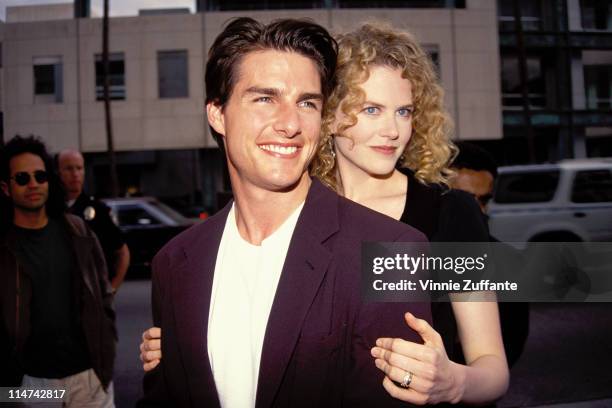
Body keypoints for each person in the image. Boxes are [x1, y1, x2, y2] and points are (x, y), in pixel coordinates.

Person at [140, 22, 510, 406]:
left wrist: (453, 382)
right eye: (371, 109)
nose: (392, 130)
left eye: (404, 111)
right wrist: (192, 341)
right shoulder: (290, 204)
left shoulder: (450, 211)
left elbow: (494, 367)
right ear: (331, 116)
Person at [0, 135, 117, 407]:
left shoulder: (77, 231)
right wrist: (7, 388)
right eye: (22, 178)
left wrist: (105, 364)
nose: (33, 184)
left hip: (89, 378)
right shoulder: (4, 246)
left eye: (40, 176)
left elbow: (103, 296)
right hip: (33, 383)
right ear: (6, 188)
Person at [450, 141, 530, 368]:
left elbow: (510, 346)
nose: (476, 210)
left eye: (483, 200)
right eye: (464, 199)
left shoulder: (508, 261)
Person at [57, 149, 130, 292]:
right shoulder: (52, 210)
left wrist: (111, 289)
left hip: (92, 293)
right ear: (58, 172)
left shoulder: (98, 210)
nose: (75, 174)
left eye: (79, 168)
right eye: (69, 168)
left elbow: (122, 252)